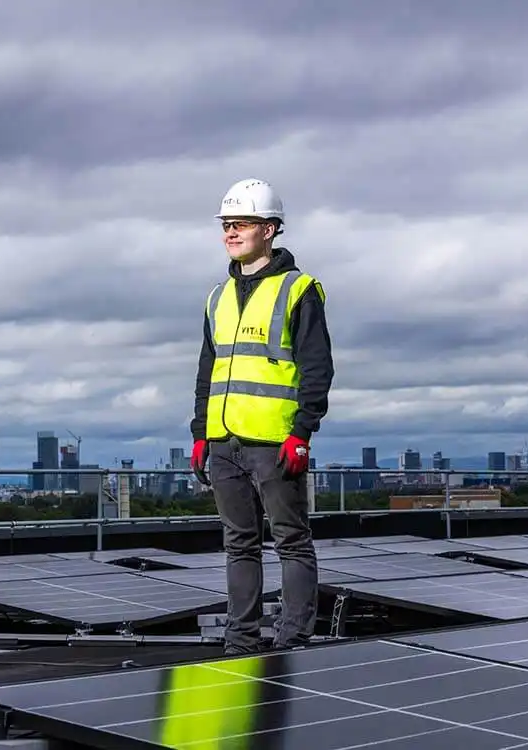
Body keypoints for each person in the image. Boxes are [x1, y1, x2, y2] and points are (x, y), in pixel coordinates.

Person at [190, 178, 334, 656]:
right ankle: (241, 642)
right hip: (223, 441)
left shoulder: (298, 290)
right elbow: (208, 369)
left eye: (242, 224)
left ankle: (293, 641)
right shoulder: (217, 297)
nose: (231, 232)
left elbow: (317, 367)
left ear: (269, 229)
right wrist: (199, 433)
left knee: (291, 541)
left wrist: (301, 431)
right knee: (239, 545)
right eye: (227, 225)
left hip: (275, 442)